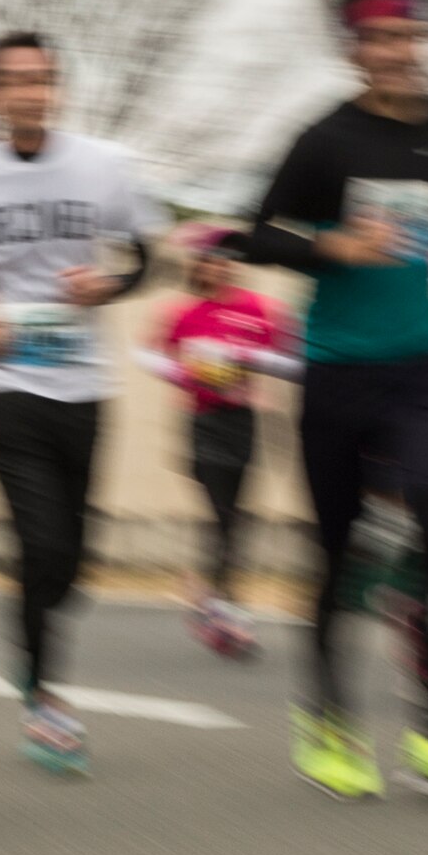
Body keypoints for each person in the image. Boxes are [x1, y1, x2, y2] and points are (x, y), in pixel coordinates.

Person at [247, 0, 428, 803]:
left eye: (409, 35)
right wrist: (334, 247)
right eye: (380, 38)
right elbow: (254, 234)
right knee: (338, 552)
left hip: (424, 370)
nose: (397, 52)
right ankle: (327, 724)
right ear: (355, 47)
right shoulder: (325, 140)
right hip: (338, 373)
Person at [0, 31, 168, 776]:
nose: (28, 93)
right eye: (12, 81)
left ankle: (32, 636)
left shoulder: (107, 166)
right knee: (42, 542)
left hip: (83, 380)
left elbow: (155, 254)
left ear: (58, 88)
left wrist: (114, 284)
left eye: (41, 79)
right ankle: (44, 695)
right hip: (0, 379)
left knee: (75, 557)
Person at [135, 228, 300, 658]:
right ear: (198, 268)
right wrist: (186, 372)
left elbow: (296, 361)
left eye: (223, 260)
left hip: (242, 421)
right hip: (201, 421)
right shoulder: (184, 313)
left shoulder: (259, 309)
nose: (216, 267)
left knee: (233, 518)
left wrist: (246, 359)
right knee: (221, 511)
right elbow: (148, 354)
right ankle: (220, 605)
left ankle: (213, 599)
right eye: (207, 261)